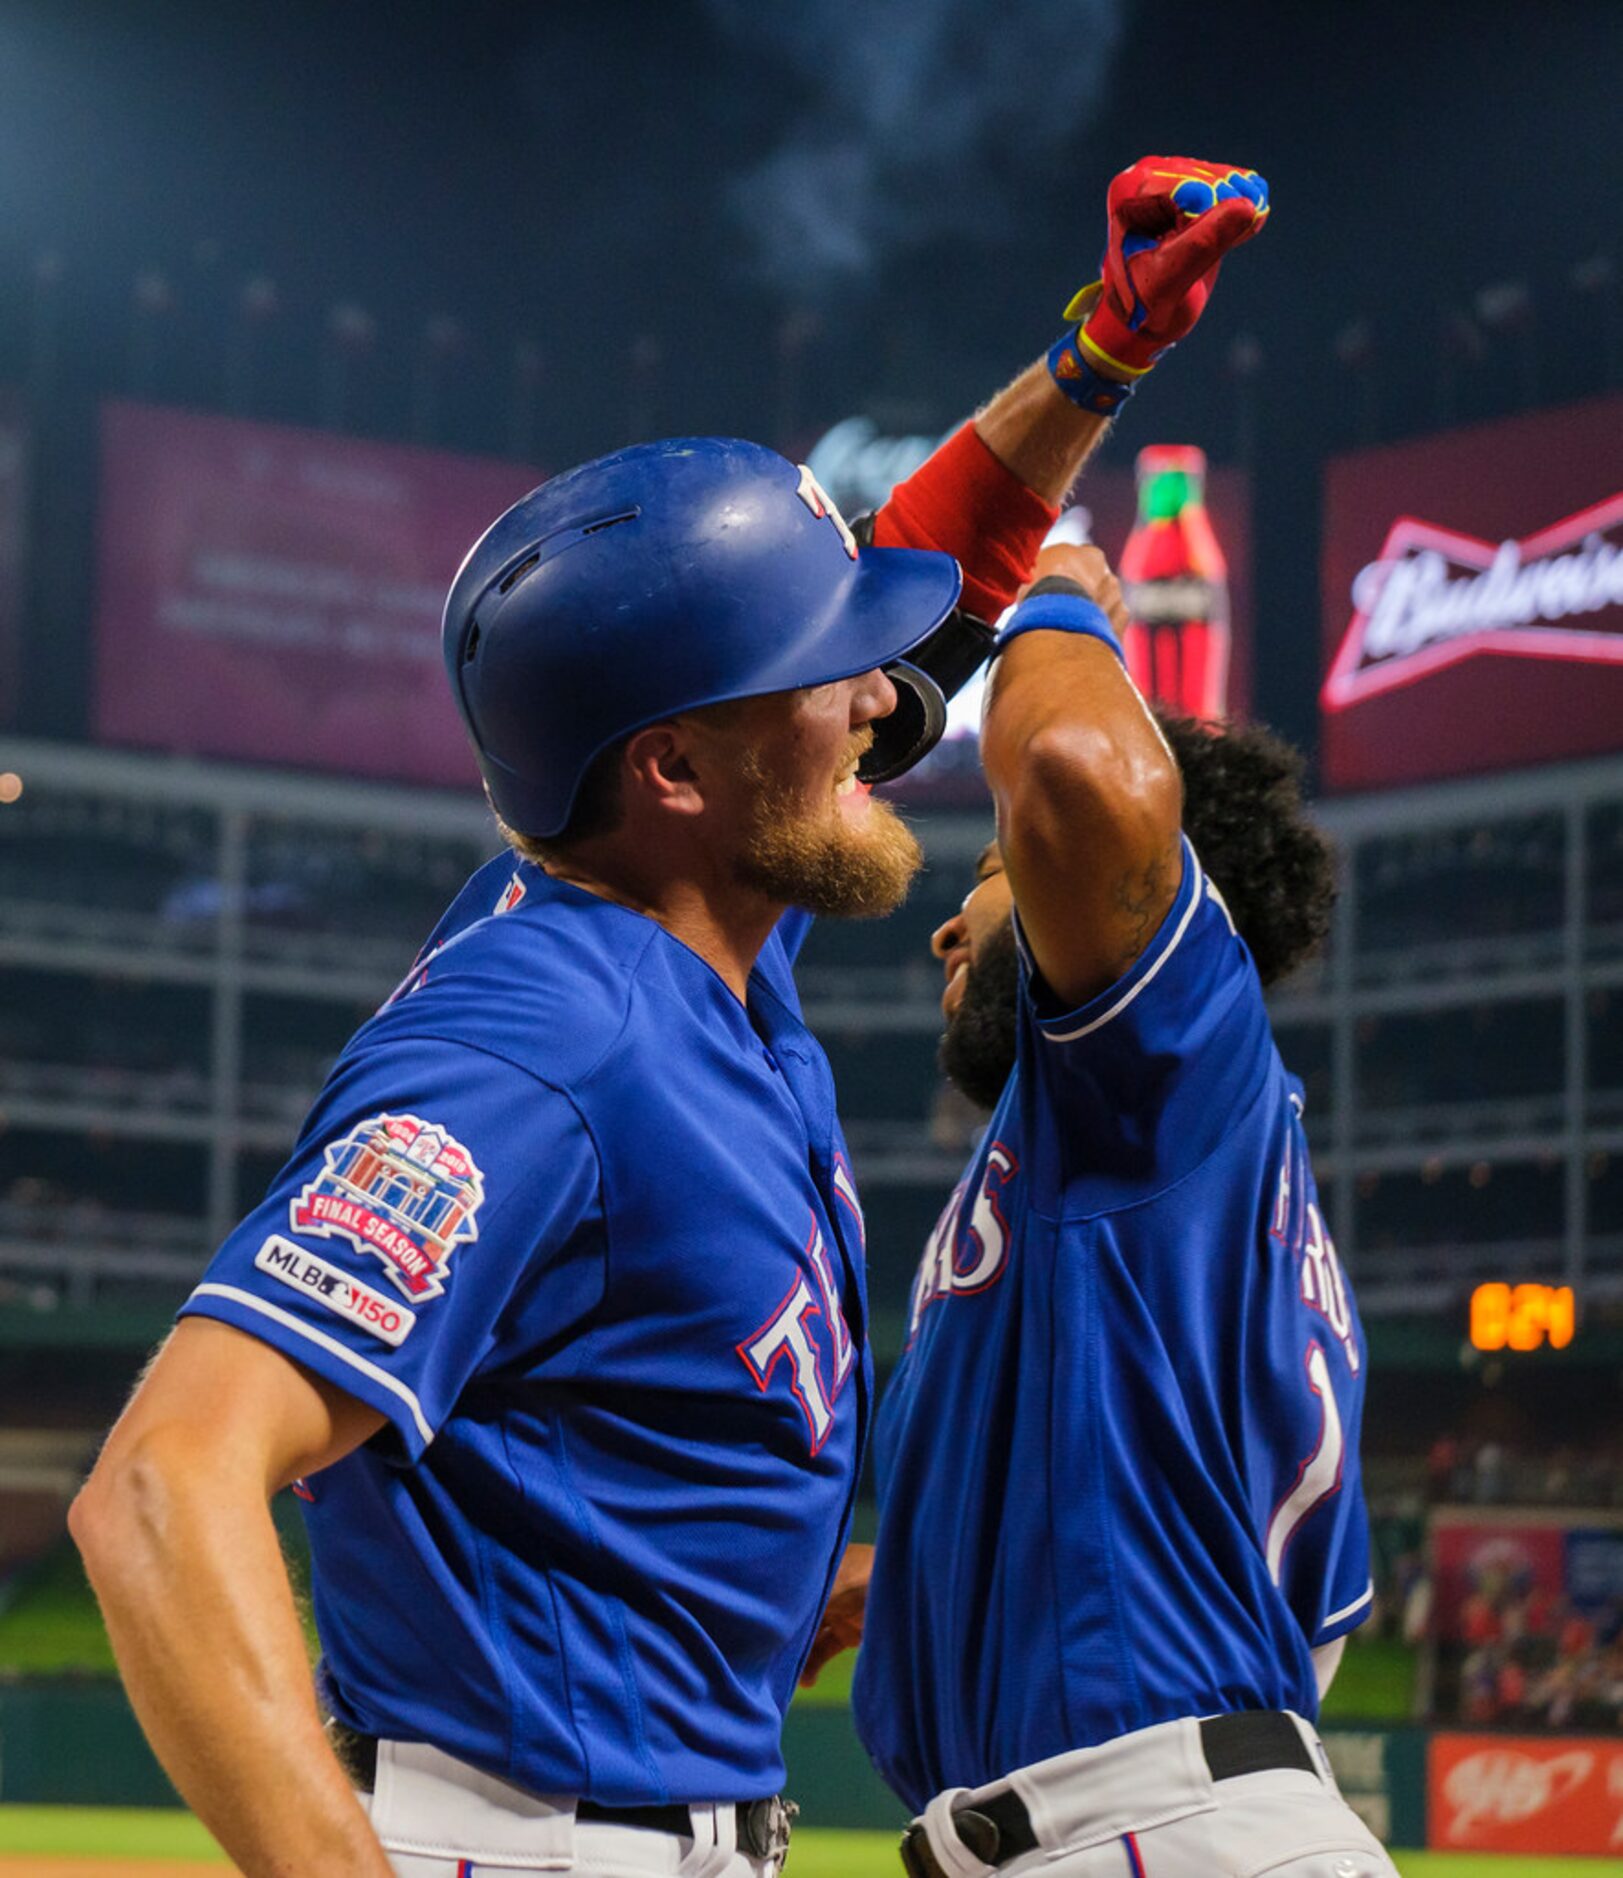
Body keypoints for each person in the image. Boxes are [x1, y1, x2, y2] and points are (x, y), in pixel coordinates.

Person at [69, 155, 1266, 1878]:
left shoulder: (697, 916)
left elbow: (935, 570)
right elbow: (160, 1491)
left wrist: (1100, 356)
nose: (886, 695)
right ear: (677, 768)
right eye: (832, 669)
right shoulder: (536, 1046)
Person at [821, 537, 1396, 1875]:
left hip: (1150, 1827)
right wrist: (904, 1585)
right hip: (1152, 1816)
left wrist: (1064, 587)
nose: (944, 929)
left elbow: (1077, 772)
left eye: (985, 875)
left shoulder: (1177, 1049)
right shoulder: (1149, 1162)